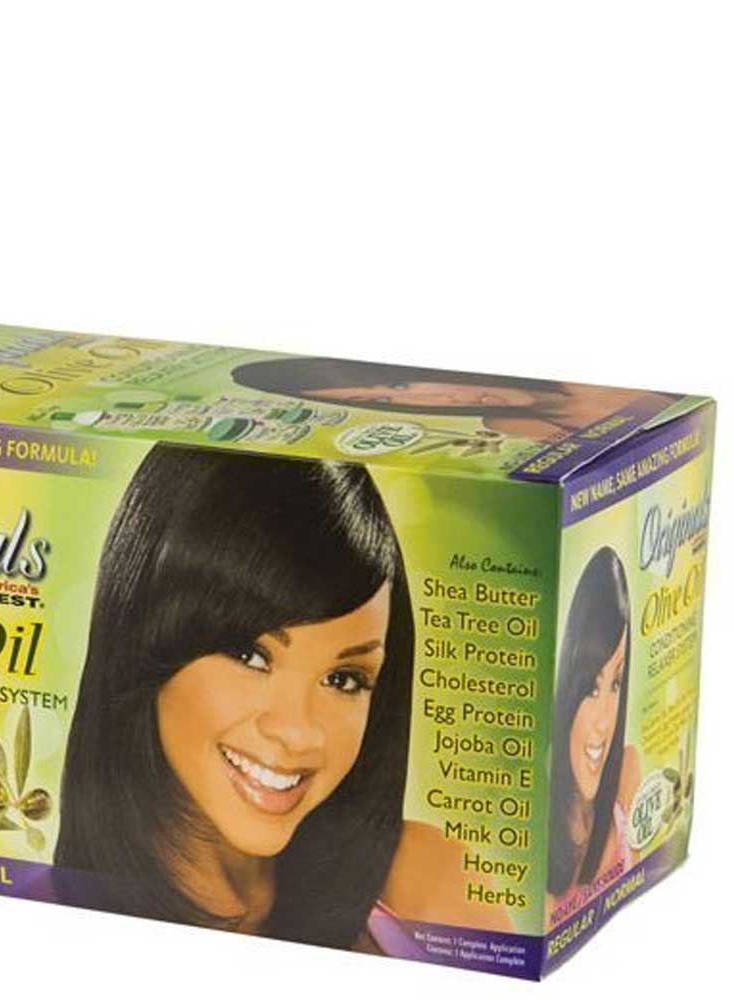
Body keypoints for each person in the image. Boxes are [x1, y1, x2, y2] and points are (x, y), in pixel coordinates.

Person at [55, 443, 510, 952]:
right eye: (250, 655)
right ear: (147, 637)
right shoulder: (43, 909)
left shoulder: (426, 885)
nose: (297, 732)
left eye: (344, 679)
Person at [231, 356, 678, 444]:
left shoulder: (591, 380)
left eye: (399, 387)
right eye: (385, 402)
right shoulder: (508, 428)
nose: (421, 401)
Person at [546, 547, 641, 929]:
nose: (604, 720)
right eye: (591, 687)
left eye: (616, 683)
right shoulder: (539, 823)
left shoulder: (628, 772)